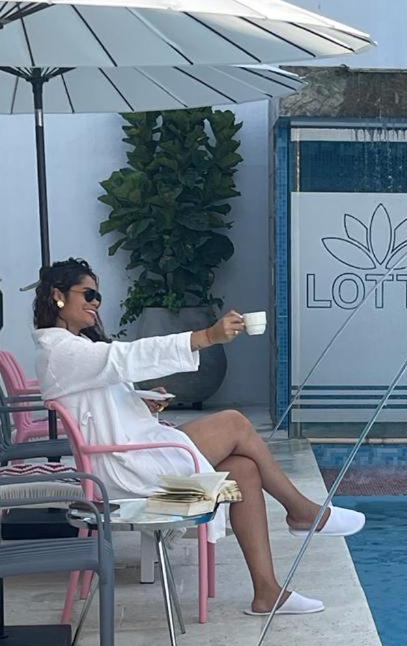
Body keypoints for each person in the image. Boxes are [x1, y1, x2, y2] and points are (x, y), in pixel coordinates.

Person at [32, 258, 365, 617]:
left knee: (244, 471)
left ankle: (267, 593)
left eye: (98, 295)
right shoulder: (62, 352)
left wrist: (143, 402)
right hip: (129, 488)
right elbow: (129, 356)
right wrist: (207, 337)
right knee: (235, 423)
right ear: (58, 295)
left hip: (142, 471)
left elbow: (99, 407)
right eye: (88, 294)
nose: (96, 302)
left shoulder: (75, 348)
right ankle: (302, 512)